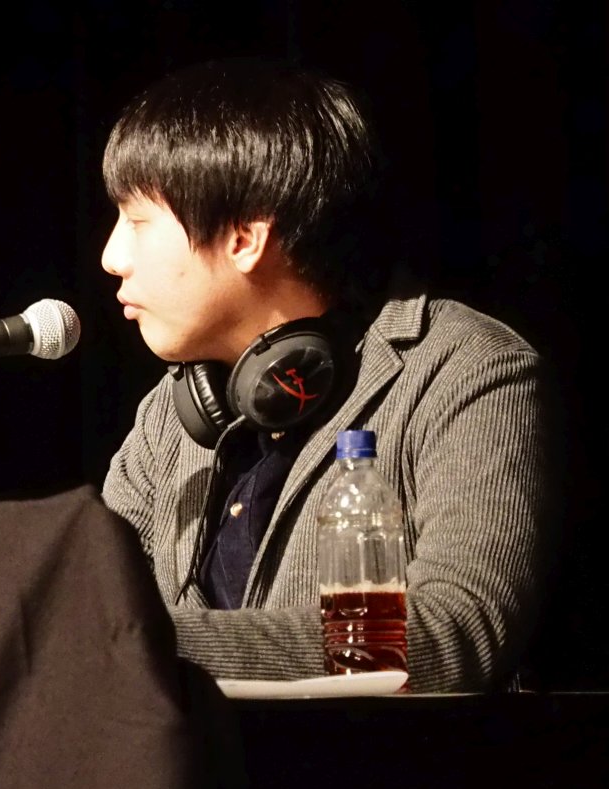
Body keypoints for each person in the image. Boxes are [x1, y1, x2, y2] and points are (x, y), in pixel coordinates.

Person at [98, 58, 557, 692]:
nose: (111, 256)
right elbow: (93, 611)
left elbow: (459, 627)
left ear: (245, 238)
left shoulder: (465, 369)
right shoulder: (168, 418)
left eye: (137, 222)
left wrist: (142, 643)